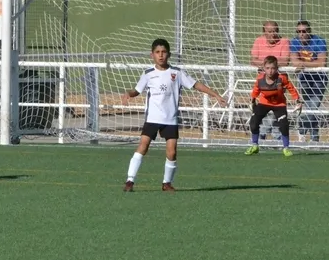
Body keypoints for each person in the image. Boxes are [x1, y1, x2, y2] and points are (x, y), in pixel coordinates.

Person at [121, 39, 227, 193]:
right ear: (152, 55)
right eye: (157, 52)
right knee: (143, 146)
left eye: (164, 52)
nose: (161, 55)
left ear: (169, 54)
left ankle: (167, 183)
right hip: (152, 118)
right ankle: (130, 180)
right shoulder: (148, 74)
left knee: (172, 152)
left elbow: (196, 84)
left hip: (170, 119)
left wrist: (215, 95)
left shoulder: (177, 73)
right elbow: (136, 91)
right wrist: (128, 94)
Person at [245, 55, 302, 157]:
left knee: (284, 125)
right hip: (264, 103)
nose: (270, 71)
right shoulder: (260, 79)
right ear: (263, 68)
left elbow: (291, 88)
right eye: (267, 68)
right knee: (253, 122)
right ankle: (255, 145)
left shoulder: (281, 78)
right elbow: (256, 90)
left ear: (276, 68)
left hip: (279, 104)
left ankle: (286, 148)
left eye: (273, 68)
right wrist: (252, 99)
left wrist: (297, 100)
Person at [249, 21, 290, 141]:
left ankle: (276, 135)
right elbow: (253, 60)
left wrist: (265, 65)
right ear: (264, 32)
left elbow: (285, 61)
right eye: (270, 31)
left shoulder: (284, 42)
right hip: (263, 83)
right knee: (263, 107)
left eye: (275, 31)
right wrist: (272, 64)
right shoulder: (258, 41)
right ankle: (262, 134)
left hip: (278, 82)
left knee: (277, 108)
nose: (273, 34)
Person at [290, 20, 328, 142]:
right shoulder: (294, 42)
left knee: (313, 106)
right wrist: (307, 65)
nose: (301, 34)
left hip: (319, 78)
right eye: (298, 31)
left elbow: (322, 62)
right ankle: (314, 137)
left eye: (304, 31)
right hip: (304, 79)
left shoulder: (319, 41)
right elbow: (294, 62)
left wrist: (303, 64)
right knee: (309, 107)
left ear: (309, 31)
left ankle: (302, 129)